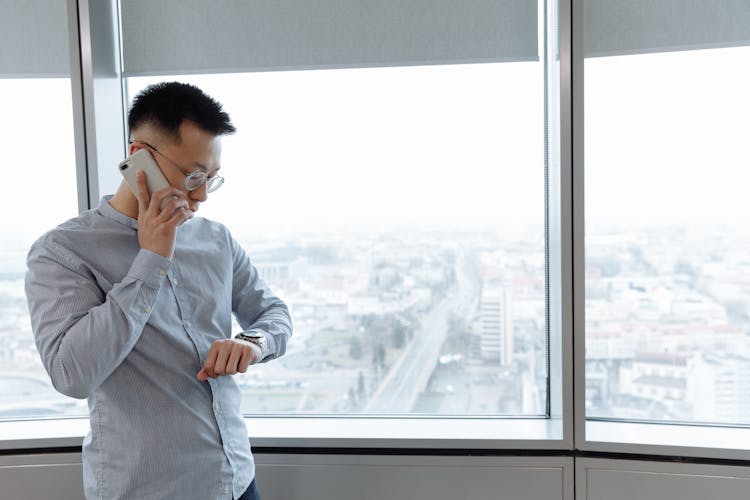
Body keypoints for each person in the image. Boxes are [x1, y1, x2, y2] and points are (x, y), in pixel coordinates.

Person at [25, 82, 292, 500]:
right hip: (147, 491)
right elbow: (71, 374)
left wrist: (253, 343)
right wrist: (151, 259)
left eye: (211, 178)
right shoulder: (63, 252)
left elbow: (273, 313)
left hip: (237, 481)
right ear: (139, 159)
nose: (201, 194)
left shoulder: (216, 240)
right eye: (192, 175)